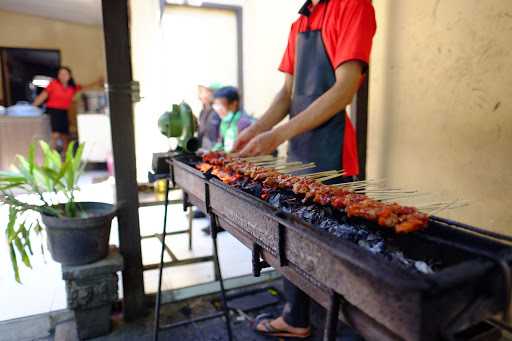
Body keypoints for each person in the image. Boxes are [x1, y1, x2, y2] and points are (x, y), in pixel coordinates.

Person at [233, 0, 376, 338]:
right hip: (299, 150)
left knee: (329, 243)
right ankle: (296, 317)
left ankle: (331, 323)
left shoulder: (353, 5)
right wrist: (255, 131)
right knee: (292, 236)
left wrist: (277, 134)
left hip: (332, 152)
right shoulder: (300, 23)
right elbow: (286, 94)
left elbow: (344, 89)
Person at [32, 66, 102, 154]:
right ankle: (50, 158)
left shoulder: (72, 88)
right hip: (53, 111)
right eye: (60, 74)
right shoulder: (53, 84)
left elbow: (85, 87)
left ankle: (65, 158)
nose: (62, 75)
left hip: (64, 112)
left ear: (69, 76)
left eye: (65, 74)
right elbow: (43, 96)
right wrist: (32, 107)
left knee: (65, 136)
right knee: (55, 135)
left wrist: (97, 82)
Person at [212, 86, 255, 153]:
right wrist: (211, 152)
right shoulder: (224, 121)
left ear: (234, 104)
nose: (217, 109)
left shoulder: (245, 123)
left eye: (220, 105)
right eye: (216, 105)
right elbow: (221, 143)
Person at [197, 83, 222, 150]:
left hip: (217, 151)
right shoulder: (202, 112)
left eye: (202, 92)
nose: (199, 97)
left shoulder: (219, 112)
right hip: (204, 150)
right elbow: (201, 132)